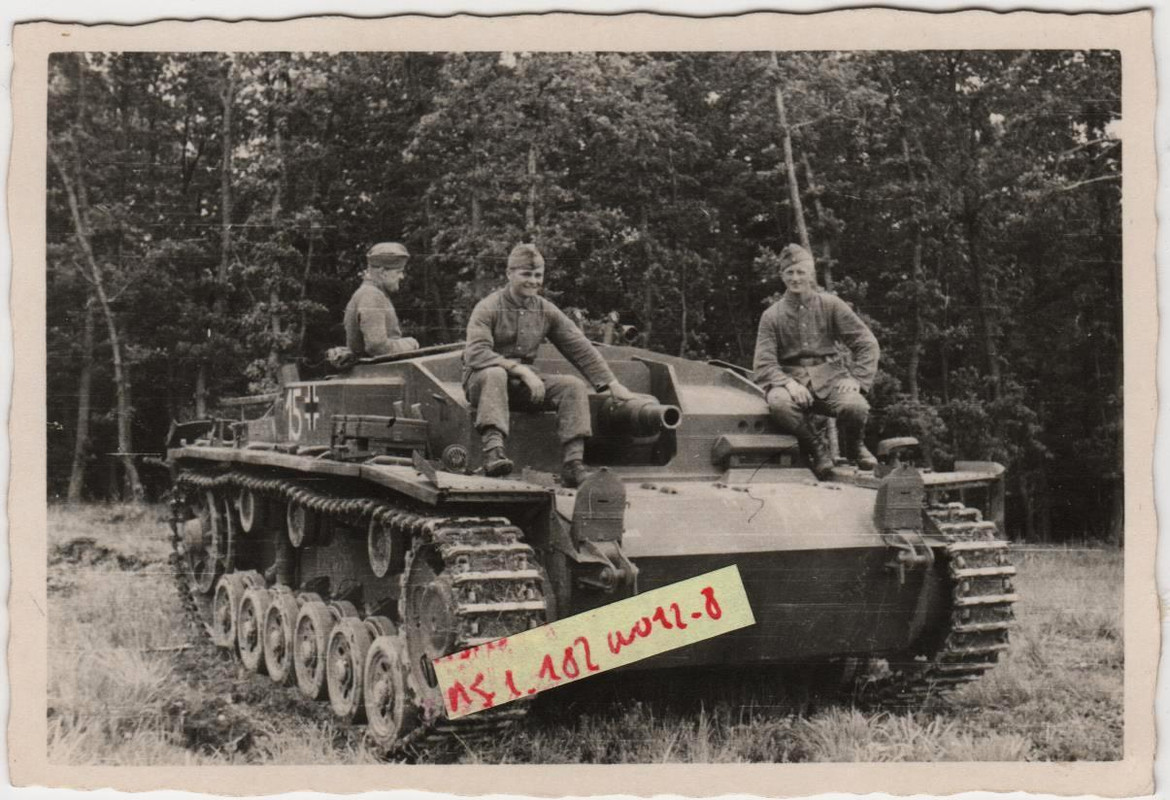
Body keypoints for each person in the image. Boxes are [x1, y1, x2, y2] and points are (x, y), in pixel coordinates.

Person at [463, 243, 635, 487]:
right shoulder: (488, 307)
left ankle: (573, 464)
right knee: (494, 374)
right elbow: (476, 353)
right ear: (509, 274)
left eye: (538, 275)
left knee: (572, 386)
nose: (533, 281)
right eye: (526, 274)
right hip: (482, 383)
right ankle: (493, 452)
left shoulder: (546, 310)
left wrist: (611, 384)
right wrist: (520, 369)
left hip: (520, 386)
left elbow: (579, 346)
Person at [753, 244, 879, 479]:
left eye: (801, 272)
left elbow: (866, 343)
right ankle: (817, 448)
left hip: (831, 379)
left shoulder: (831, 305)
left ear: (811, 274)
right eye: (789, 273)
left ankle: (855, 447)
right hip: (791, 383)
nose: (795, 278)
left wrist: (857, 379)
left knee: (856, 405)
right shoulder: (772, 316)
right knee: (778, 402)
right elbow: (764, 363)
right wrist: (789, 384)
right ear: (782, 276)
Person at [343, 242, 420, 358]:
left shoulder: (371, 293)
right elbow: (377, 346)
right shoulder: (372, 295)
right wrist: (409, 344)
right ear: (383, 273)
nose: (402, 277)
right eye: (398, 272)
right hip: (376, 372)